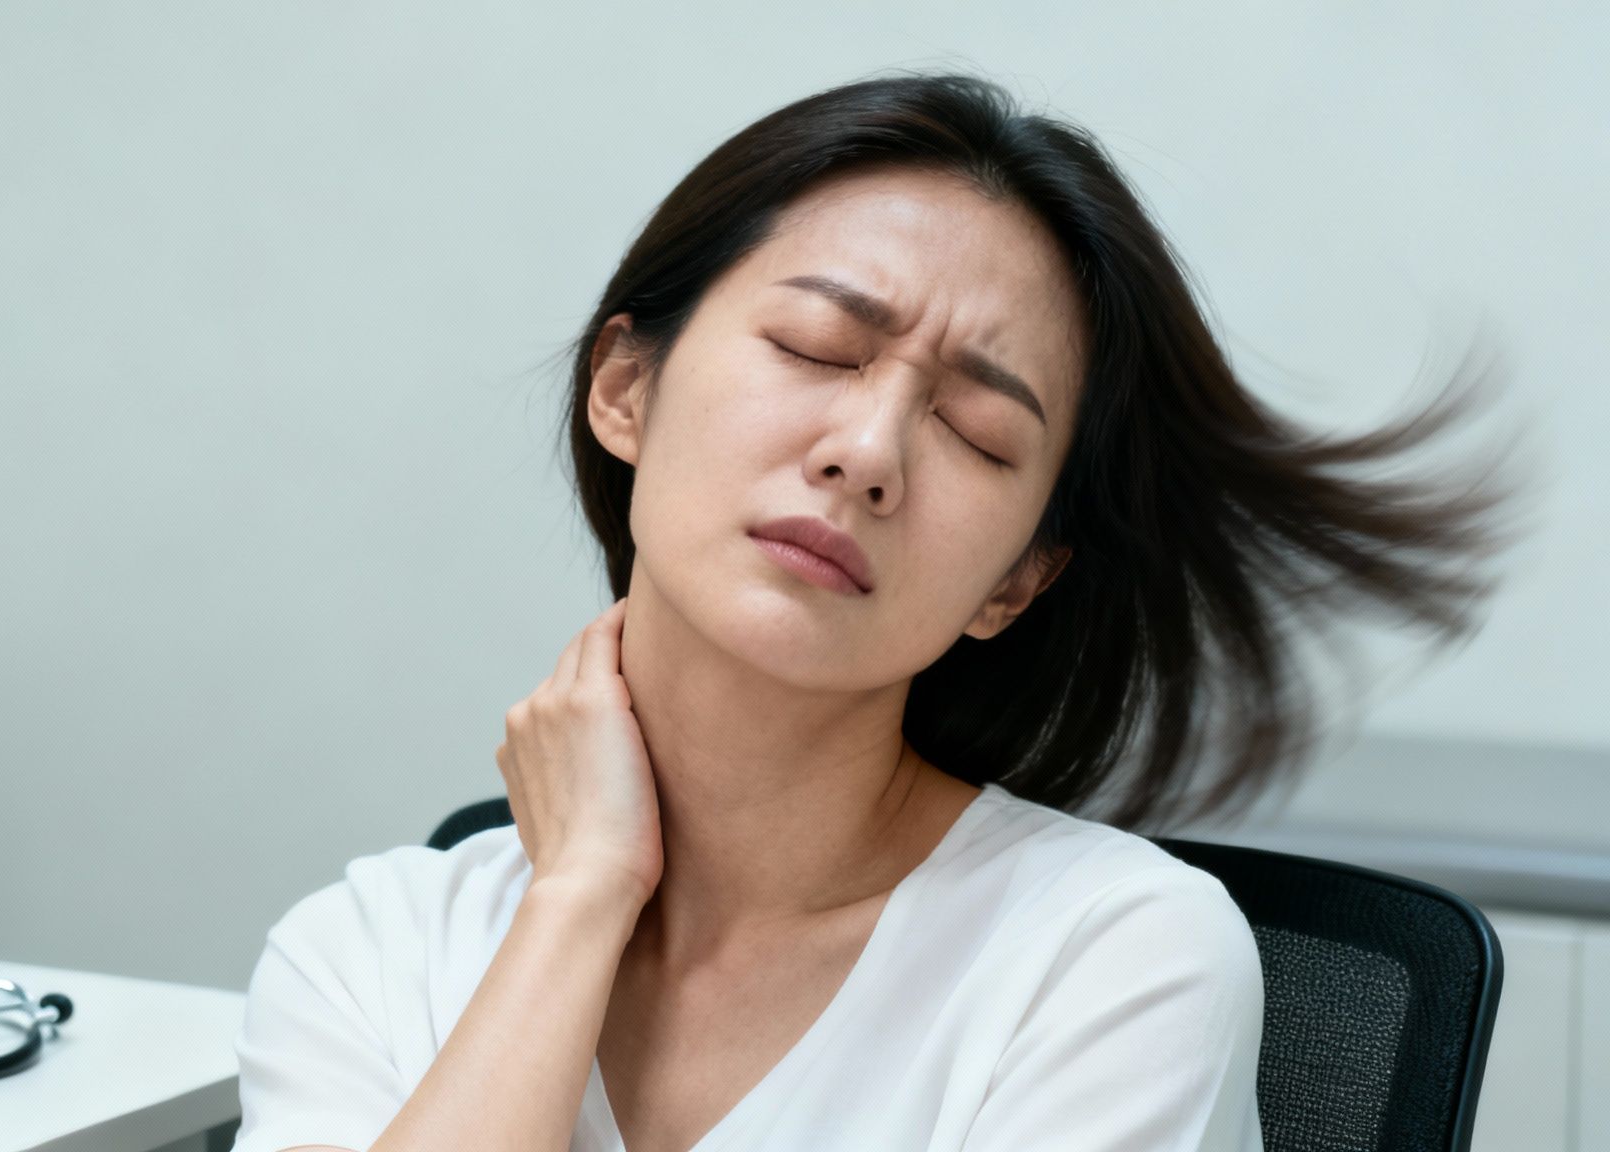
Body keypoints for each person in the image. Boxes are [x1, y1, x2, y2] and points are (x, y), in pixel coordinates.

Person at [229, 71, 1523, 1152]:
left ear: (1015, 580)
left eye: (974, 428)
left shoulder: (1115, 960)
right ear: (625, 388)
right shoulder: (369, 948)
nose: (868, 450)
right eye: (815, 349)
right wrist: (579, 899)